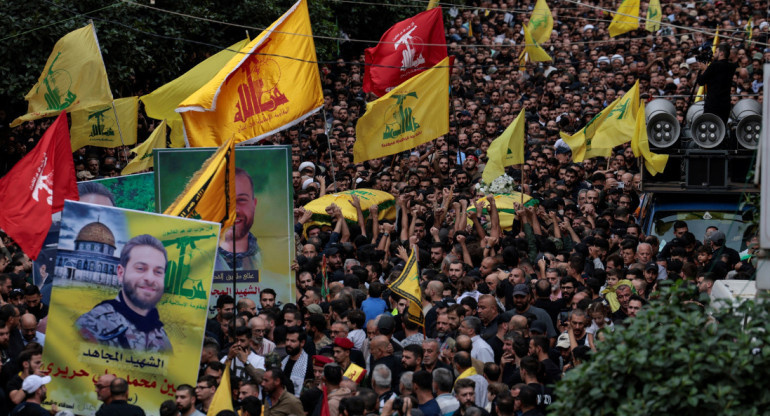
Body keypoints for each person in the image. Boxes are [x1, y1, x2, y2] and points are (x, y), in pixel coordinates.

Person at [76, 234, 172, 352]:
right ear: (121, 273)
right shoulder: (91, 325)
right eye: (141, 268)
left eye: (158, 271)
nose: (150, 278)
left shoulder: (162, 336)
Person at [216, 168, 262, 271]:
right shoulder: (197, 260)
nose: (233, 212)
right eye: (226, 202)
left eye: (241, 200)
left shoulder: (270, 259)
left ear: (254, 204)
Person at [695, 44, 739, 126]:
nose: (714, 54)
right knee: (721, 128)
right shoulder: (731, 67)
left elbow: (701, 81)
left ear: (721, 53)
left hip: (713, 104)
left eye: (716, 52)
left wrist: (703, 70)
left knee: (710, 127)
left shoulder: (714, 66)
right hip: (725, 104)